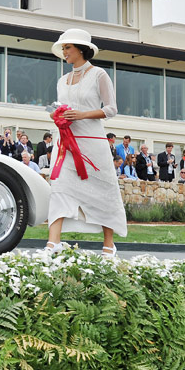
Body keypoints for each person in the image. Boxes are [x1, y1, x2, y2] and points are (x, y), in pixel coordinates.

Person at [43, 28, 126, 257]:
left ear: (81, 49)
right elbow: (61, 108)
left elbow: (111, 109)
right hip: (65, 145)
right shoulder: (62, 80)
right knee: (59, 188)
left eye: (67, 47)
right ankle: (53, 243)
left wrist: (81, 115)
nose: (64, 52)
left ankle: (109, 245)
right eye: (63, 48)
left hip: (92, 143)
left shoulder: (99, 74)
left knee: (104, 191)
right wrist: (56, 115)